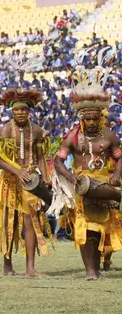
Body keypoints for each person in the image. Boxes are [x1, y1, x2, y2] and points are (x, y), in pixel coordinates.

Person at [51, 67, 122, 280]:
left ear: (100, 116)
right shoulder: (72, 137)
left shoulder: (109, 135)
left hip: (104, 185)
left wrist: (117, 174)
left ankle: (98, 268)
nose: (91, 123)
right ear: (82, 117)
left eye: (95, 119)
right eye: (87, 119)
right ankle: (90, 270)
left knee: (101, 228)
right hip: (81, 185)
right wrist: (71, 178)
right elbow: (58, 160)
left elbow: (119, 158)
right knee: (85, 228)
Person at [0, 88, 51, 277]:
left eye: (23, 110)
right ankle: (7, 265)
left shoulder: (37, 131)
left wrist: (46, 176)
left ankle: (30, 268)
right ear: (11, 111)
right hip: (10, 180)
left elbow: (41, 157)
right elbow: (0, 158)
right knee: (8, 221)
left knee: (30, 221)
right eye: (17, 110)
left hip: (30, 181)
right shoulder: (6, 129)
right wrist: (18, 171)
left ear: (29, 111)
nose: (20, 113)